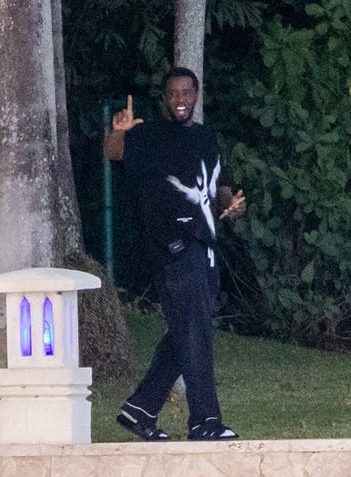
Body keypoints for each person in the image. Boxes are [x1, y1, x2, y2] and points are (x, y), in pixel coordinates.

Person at [104, 67, 246, 441]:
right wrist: (119, 131)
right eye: (173, 94)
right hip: (173, 249)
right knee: (194, 335)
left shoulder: (206, 137)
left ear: (196, 94)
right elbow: (114, 154)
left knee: (186, 333)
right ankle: (205, 423)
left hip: (206, 248)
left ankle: (139, 411)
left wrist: (230, 205)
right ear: (165, 98)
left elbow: (221, 184)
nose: (180, 100)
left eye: (187, 93)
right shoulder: (150, 136)